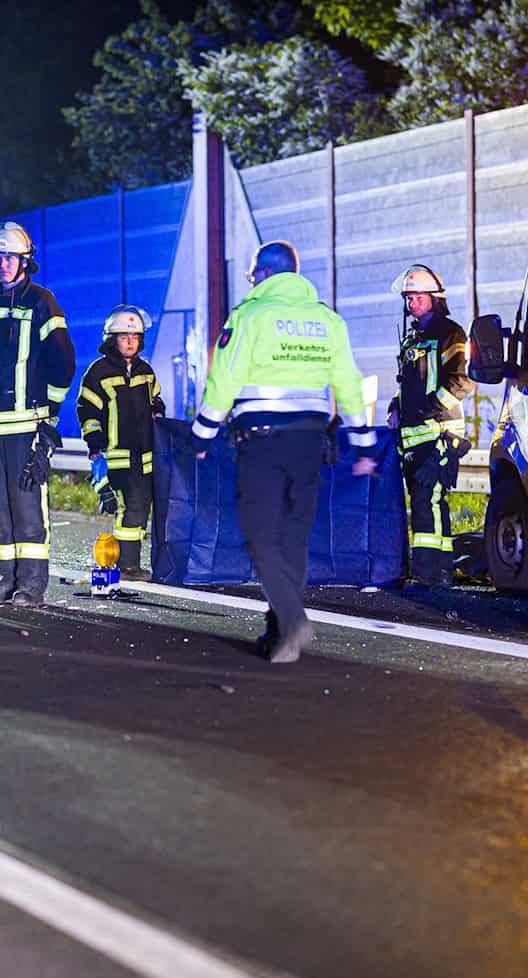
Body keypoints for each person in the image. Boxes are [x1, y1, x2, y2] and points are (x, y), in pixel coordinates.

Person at [191, 240, 375, 664]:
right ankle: (279, 637)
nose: (252, 279)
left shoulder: (250, 316)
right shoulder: (327, 320)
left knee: (261, 538)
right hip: (311, 443)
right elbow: (348, 383)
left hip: (263, 442)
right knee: (293, 539)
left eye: (254, 273)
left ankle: (292, 620)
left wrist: (201, 437)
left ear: (265, 273)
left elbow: (224, 380)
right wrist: (363, 444)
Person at [0, 221, 76, 607]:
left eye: (11, 258)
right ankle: (7, 579)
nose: (4, 265)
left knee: (27, 505)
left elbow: (63, 362)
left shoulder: (42, 302)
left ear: (24, 262)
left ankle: (31, 585)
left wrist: (48, 419)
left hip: (26, 424)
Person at [385, 265, 474, 586]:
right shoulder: (412, 338)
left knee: (431, 502)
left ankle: (436, 573)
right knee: (421, 504)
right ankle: (426, 571)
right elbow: (408, 383)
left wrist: (429, 408)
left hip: (439, 435)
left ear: (435, 299)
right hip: (412, 438)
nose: (412, 304)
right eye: (409, 298)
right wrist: (396, 406)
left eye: (418, 297)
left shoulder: (451, 333)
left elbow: (463, 380)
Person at [76, 305, 164, 581]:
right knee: (131, 508)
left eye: (135, 337)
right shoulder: (98, 372)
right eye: (124, 337)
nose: (130, 342)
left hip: (146, 456)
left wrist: (158, 408)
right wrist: (94, 446)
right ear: (111, 339)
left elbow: (156, 398)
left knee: (142, 508)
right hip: (116, 455)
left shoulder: (145, 371)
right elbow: (88, 411)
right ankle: (126, 565)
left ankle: (129, 562)